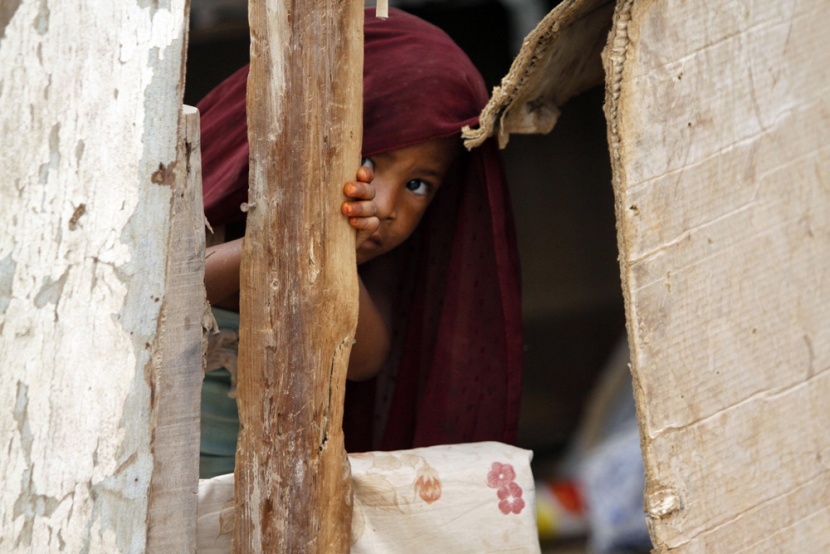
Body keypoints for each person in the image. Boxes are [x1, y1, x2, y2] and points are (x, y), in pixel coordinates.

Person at [196, 8, 524, 478]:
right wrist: (283, 243)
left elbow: (364, 360)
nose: (386, 205)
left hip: (248, 491)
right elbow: (171, 290)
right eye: (369, 157)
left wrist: (330, 254)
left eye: (418, 185)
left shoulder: (376, 268)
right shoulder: (211, 198)